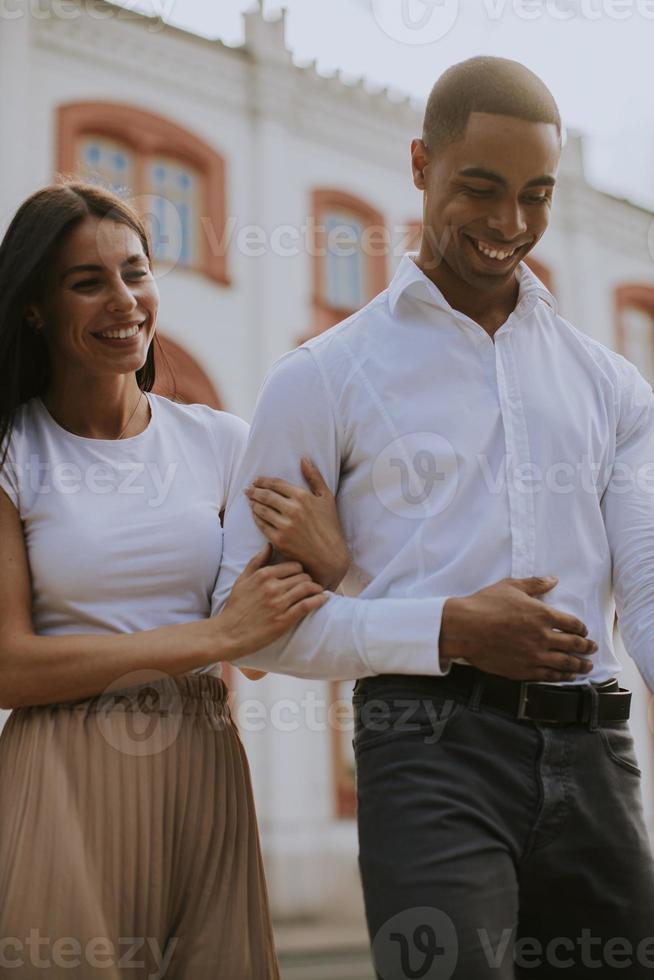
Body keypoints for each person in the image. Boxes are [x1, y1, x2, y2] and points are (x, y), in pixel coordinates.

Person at [212, 56, 654, 978]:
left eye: (536, 195)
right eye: (481, 189)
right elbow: (248, 632)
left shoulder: (611, 385)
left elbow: (645, 594)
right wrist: (448, 627)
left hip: (596, 755)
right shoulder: (322, 376)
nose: (509, 225)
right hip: (428, 751)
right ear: (421, 165)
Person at [0, 180, 354, 980]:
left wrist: (328, 568)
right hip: (60, 770)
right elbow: (8, 664)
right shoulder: (13, 453)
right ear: (33, 308)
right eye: (87, 282)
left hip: (203, 765)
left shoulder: (225, 442)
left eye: (136, 271)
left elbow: (261, 648)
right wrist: (215, 637)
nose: (124, 300)